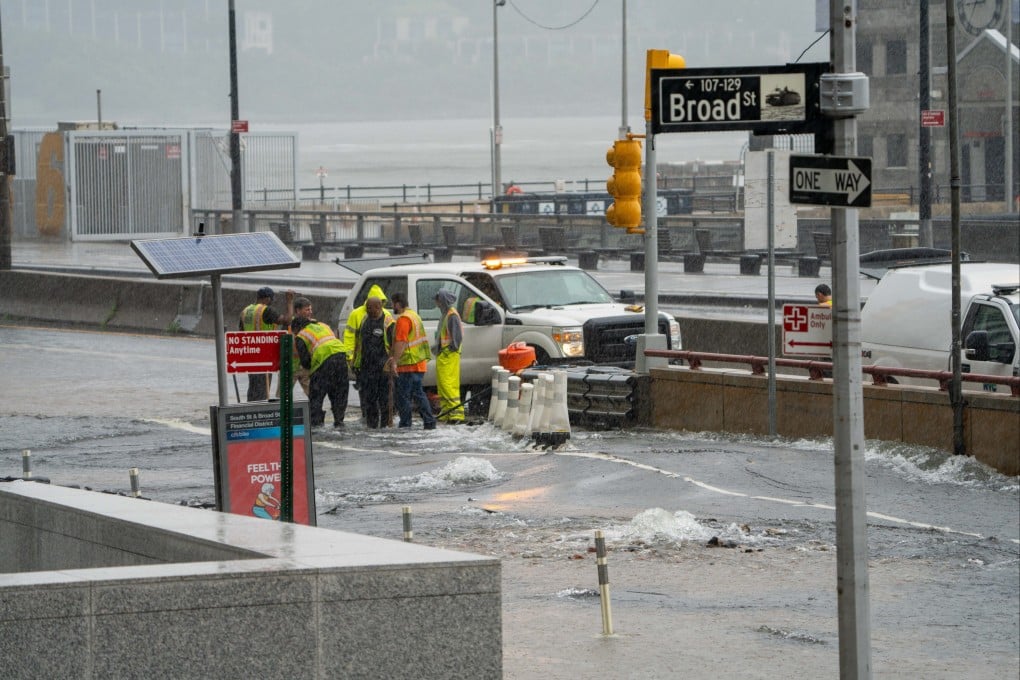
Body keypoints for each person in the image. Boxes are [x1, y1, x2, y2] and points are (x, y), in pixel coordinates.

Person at [387, 292, 436, 430]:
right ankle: (429, 421)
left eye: (393, 303)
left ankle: (405, 424)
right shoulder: (414, 316)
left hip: (407, 364)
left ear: (397, 303)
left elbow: (401, 342)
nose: (392, 306)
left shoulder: (403, 319)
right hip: (418, 363)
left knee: (403, 397)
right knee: (418, 394)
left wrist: (394, 361)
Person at [291, 313, 348, 428]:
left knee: (316, 395)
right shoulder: (323, 325)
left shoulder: (301, 335)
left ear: (297, 328)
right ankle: (339, 421)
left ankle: (316, 425)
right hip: (341, 356)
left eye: (294, 332)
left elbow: (305, 361)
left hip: (324, 361)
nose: (295, 335)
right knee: (339, 392)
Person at [239, 287, 293, 402]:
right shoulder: (266, 311)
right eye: (271, 300)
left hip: (250, 355)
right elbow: (287, 320)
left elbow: (241, 333)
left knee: (254, 386)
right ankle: (259, 412)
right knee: (262, 388)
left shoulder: (246, 310)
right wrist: (289, 301)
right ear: (267, 299)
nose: (272, 302)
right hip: (263, 355)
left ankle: (251, 409)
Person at [352, 295, 395, 428]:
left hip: (382, 367)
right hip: (366, 367)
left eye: (370, 308)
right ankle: (372, 425)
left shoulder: (388, 322)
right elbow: (358, 342)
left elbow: (394, 344)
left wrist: (391, 363)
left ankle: (385, 425)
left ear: (378, 307)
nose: (368, 311)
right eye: (367, 308)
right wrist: (354, 362)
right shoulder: (365, 319)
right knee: (369, 399)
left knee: (384, 399)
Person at [433, 289, 465, 423]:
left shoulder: (451, 315)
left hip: (449, 354)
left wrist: (450, 349)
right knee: (442, 385)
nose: (436, 303)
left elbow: (457, 336)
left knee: (448, 384)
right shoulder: (446, 314)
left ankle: (457, 414)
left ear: (443, 300)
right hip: (444, 354)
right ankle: (447, 411)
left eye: (438, 300)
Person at [278, 297, 314, 399]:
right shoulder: (289, 324)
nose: (310, 312)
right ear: (298, 310)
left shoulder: (311, 324)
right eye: (307, 310)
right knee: (282, 399)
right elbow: (282, 344)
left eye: (310, 309)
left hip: (306, 367)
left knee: (314, 396)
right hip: (289, 368)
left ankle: (315, 414)